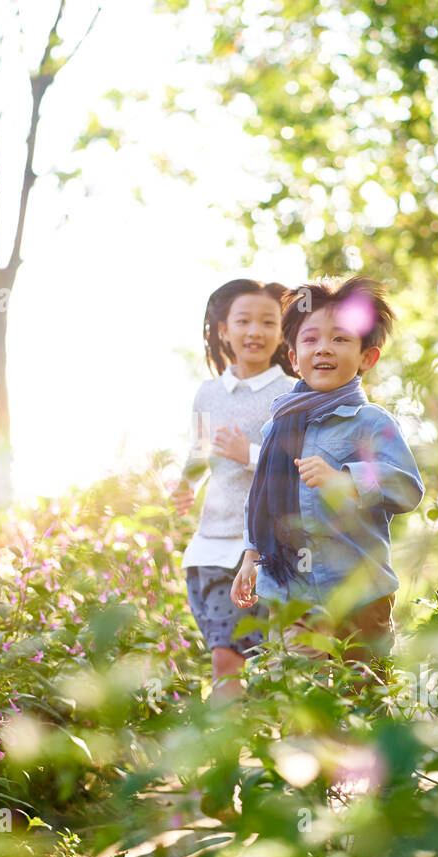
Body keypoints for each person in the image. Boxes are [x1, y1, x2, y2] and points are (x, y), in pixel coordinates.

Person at [231, 275, 424, 691]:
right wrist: (250, 557)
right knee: (301, 695)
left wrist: (346, 480)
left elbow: (407, 486)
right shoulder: (276, 429)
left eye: (340, 339)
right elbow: (261, 501)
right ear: (294, 358)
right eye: (311, 339)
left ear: (367, 357)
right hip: (292, 592)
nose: (323, 348)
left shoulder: (372, 423)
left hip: (360, 591)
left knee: (368, 695)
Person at [171, 279, 297, 702]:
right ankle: (227, 765)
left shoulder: (291, 393)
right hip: (211, 545)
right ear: (223, 330)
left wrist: (249, 453)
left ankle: (270, 759)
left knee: (270, 667)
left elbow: (297, 466)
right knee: (224, 661)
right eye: (243, 321)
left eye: (268, 322)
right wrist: (186, 484)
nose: (255, 331)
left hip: (267, 548)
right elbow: (200, 451)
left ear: (282, 331)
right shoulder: (208, 392)